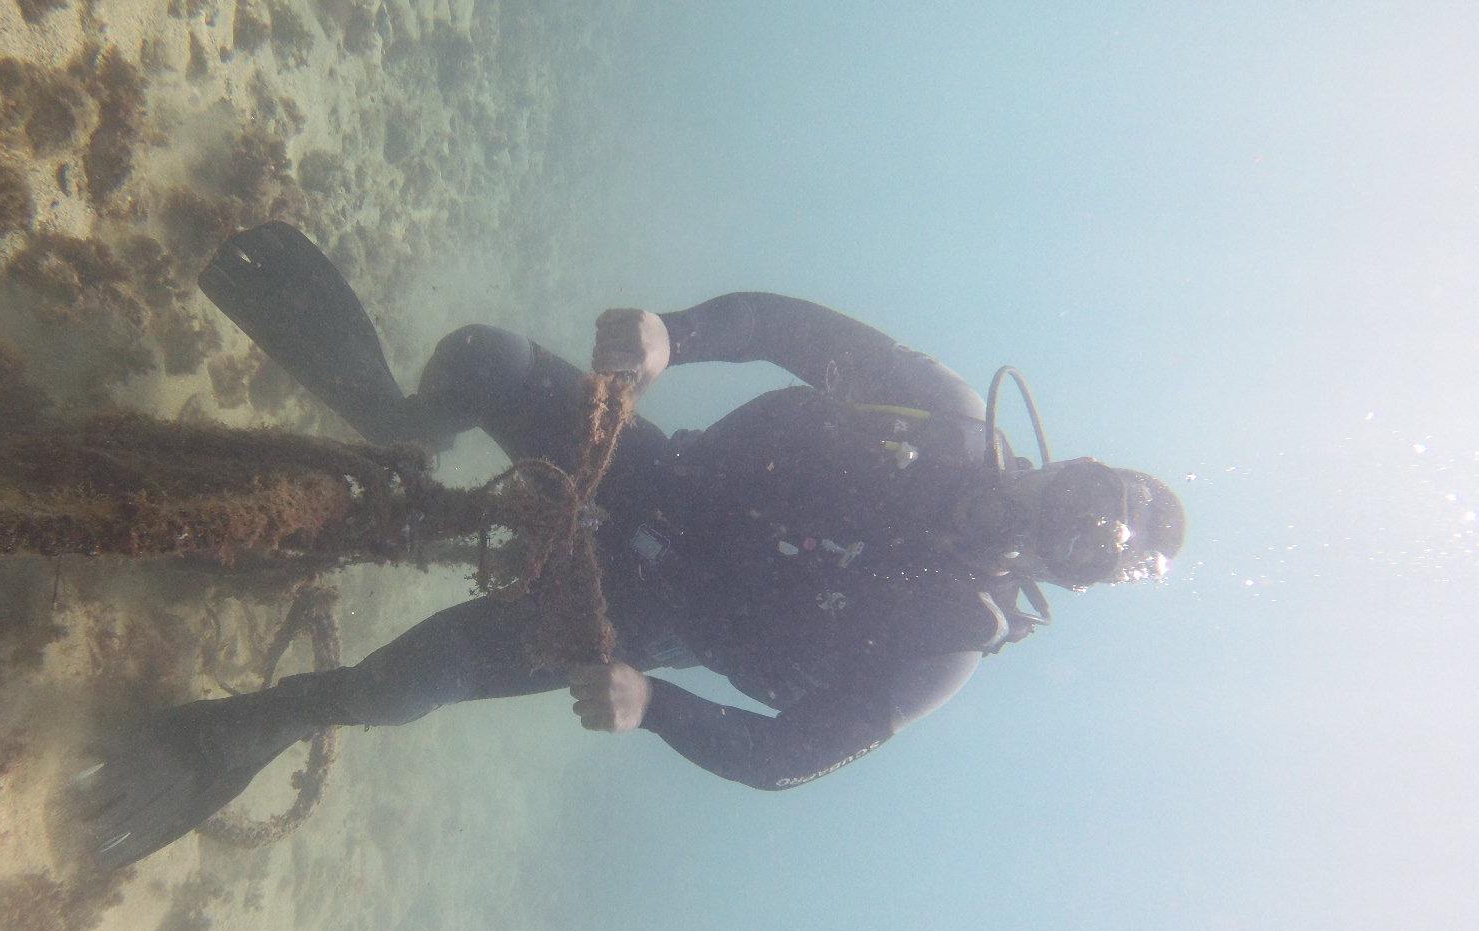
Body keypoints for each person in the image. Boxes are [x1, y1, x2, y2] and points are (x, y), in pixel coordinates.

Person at [71, 223, 1185, 870]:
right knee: (482, 357)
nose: (1031, 517)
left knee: (397, 689)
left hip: (638, 619)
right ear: (1066, 460)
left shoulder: (944, 644)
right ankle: (393, 423)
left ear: (1060, 578)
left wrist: (652, 706)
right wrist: (674, 337)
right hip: (647, 473)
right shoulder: (936, 413)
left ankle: (256, 723)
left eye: (1072, 547)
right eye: (1075, 494)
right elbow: (785, 329)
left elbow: (788, 756)